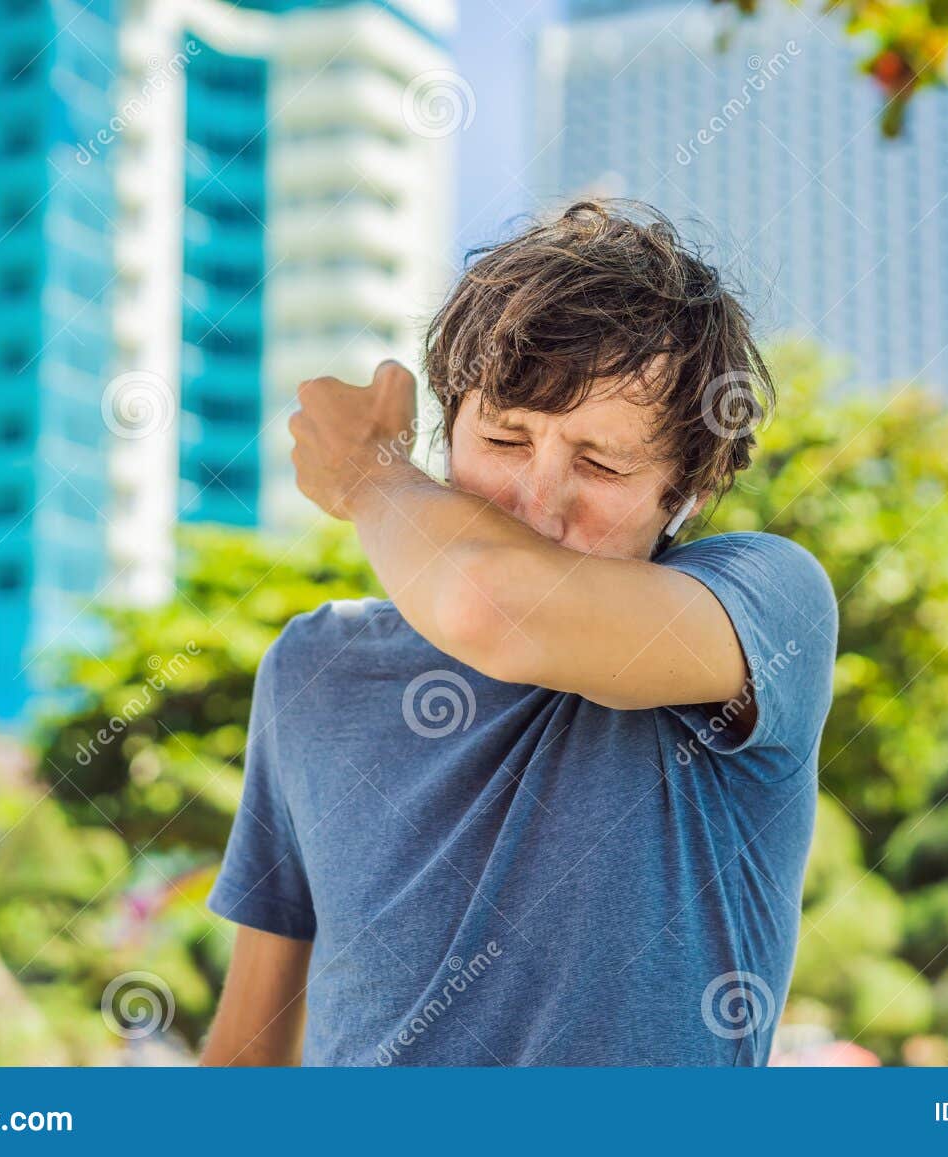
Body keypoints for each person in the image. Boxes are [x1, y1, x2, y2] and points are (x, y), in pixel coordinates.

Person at [199, 200, 838, 1066]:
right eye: (504, 439)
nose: (539, 503)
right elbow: (246, 1052)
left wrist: (367, 476)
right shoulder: (316, 665)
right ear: (447, 430)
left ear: (683, 494)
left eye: (600, 463)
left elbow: (489, 604)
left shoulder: (763, 604)